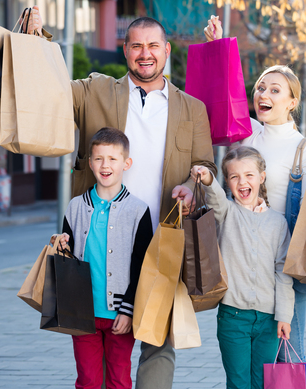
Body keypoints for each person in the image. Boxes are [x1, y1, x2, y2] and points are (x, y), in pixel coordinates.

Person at [24, 8, 217, 388]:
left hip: (161, 235)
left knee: (156, 336)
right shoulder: (95, 89)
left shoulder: (192, 109)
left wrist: (196, 180)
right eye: (136, 46)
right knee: (99, 336)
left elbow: (205, 164)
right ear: (124, 50)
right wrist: (37, 39)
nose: (145, 53)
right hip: (100, 237)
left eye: (154, 46)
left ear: (166, 52)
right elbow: (53, 87)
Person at [204, 15, 306, 364]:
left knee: (290, 349)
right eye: (260, 87)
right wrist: (218, 46)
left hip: (288, 261)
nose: (264, 94)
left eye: (275, 90)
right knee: (259, 357)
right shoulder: (246, 133)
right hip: (244, 258)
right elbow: (224, 97)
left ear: (291, 102)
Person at [51, 128, 153, 389]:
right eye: (98, 158)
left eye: (112, 159)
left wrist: (128, 310)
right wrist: (61, 244)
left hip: (120, 313)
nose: (105, 165)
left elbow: (143, 265)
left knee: (119, 380)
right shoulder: (75, 207)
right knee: (88, 380)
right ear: (90, 162)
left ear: (126, 163)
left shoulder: (138, 211)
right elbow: (68, 258)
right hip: (82, 313)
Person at [191, 146, 294, 389]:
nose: (242, 182)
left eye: (249, 175)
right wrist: (207, 179)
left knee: (261, 383)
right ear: (227, 181)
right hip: (232, 317)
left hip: (268, 320)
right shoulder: (226, 213)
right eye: (234, 176)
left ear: (262, 177)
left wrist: (284, 316)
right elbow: (215, 197)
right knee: (238, 383)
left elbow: (283, 273)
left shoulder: (278, 223)